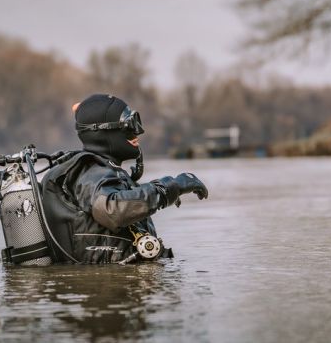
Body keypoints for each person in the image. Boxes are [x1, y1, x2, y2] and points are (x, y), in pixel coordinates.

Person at [41, 93, 209, 264]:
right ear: (102, 131)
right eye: (129, 124)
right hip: (105, 285)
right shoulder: (90, 170)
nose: (138, 131)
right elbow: (112, 208)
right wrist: (170, 188)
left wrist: (165, 194)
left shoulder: (100, 170)